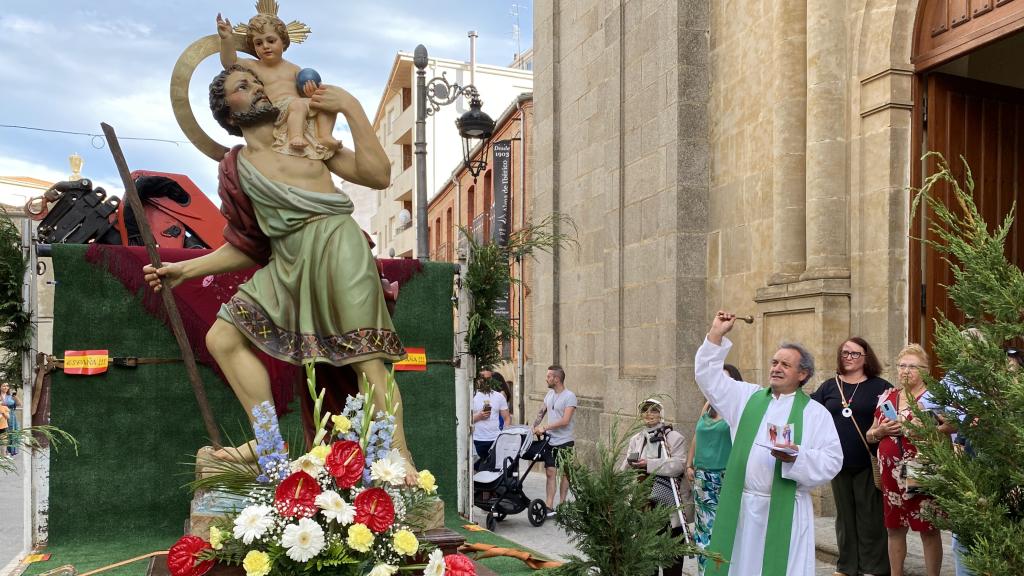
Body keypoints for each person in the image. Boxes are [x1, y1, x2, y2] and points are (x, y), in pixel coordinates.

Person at [142, 66, 412, 476]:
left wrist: (353, 110)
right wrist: (183, 270)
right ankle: (267, 442)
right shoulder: (237, 168)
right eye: (242, 86)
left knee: (366, 358)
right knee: (223, 337)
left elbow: (378, 175)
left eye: (255, 82)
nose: (257, 89)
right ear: (228, 114)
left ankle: (399, 458)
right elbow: (249, 246)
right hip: (287, 262)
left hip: (338, 248)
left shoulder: (307, 140)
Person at [695, 311, 842, 576]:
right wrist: (716, 334)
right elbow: (708, 378)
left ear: (803, 374)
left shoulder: (814, 413)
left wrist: (797, 457)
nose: (776, 368)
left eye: (785, 364)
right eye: (775, 362)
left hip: (786, 509)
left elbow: (832, 460)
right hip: (741, 507)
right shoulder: (745, 397)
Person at [866, 344, 951, 576]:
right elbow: (869, 434)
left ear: (925, 370)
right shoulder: (888, 396)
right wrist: (881, 430)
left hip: (921, 469)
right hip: (890, 471)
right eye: (902, 366)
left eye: (912, 366)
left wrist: (924, 428)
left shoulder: (934, 397)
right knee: (894, 528)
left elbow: (951, 426)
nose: (906, 371)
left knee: (928, 528)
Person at [810, 337, 893, 576]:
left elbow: (892, 416)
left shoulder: (880, 387)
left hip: (868, 462)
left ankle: (874, 567)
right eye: (845, 352)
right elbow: (811, 413)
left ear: (866, 357)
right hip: (837, 463)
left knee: (870, 518)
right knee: (844, 518)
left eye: (855, 353)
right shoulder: (829, 386)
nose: (849, 357)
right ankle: (847, 566)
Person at [217, 12, 339, 158]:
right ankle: (295, 137)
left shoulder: (294, 69)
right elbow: (229, 63)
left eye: (271, 41)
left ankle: (325, 135)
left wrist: (311, 92)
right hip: (278, 111)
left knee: (327, 102)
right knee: (298, 105)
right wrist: (227, 39)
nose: (265, 46)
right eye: (259, 43)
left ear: (283, 41)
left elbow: (303, 93)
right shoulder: (253, 66)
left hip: (300, 106)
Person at [620, 398, 688, 576]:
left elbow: (679, 465)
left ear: (661, 413)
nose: (649, 414)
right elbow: (625, 465)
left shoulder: (674, 438)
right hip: (644, 503)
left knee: (670, 556)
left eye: (654, 410)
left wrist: (649, 464)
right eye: (645, 410)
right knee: (646, 554)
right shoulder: (637, 439)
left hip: (667, 503)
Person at [686, 365, 738, 576]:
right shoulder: (708, 406)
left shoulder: (736, 408)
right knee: (703, 531)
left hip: (726, 477)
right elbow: (697, 436)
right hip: (702, 479)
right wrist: (689, 464)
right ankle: (705, 572)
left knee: (726, 528)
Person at [532, 364, 577, 516]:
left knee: (565, 473)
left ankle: (562, 504)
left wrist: (545, 428)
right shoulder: (549, 395)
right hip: (550, 441)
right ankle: (549, 505)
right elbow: (541, 411)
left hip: (565, 441)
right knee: (550, 472)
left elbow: (565, 420)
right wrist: (534, 426)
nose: (546, 379)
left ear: (556, 379)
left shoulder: (569, 396)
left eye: (549, 376)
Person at [471, 376, 510, 471]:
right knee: (478, 469)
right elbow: (464, 419)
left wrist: (504, 435)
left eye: (488, 379)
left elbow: (507, 418)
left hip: (495, 439)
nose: (485, 381)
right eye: (483, 378)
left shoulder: (499, 396)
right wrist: (479, 416)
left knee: (494, 469)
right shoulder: (472, 396)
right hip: (477, 440)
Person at [1, 384, 18, 456]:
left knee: (11, 433)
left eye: (7, 386)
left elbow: (19, 404)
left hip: (11, 416)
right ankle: (3, 453)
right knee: (3, 435)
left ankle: (9, 451)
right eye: (4, 386)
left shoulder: (10, 396)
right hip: (1, 416)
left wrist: (15, 396)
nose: (6, 387)